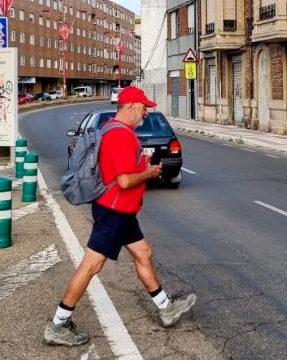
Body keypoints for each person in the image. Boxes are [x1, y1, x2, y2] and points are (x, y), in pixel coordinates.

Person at [44, 85, 197, 346]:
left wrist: (143, 167)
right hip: (114, 211)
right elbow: (124, 181)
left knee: (143, 253)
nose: (146, 112)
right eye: (144, 107)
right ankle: (58, 324)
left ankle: (166, 308)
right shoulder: (120, 136)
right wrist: (149, 172)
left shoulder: (115, 131)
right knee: (91, 265)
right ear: (130, 106)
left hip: (122, 212)